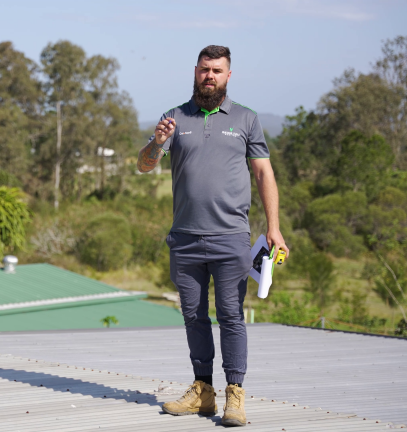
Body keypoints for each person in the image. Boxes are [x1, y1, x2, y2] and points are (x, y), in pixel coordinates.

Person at [136, 45, 289, 427]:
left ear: (228, 76)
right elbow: (143, 166)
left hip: (231, 237)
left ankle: (234, 396)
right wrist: (156, 143)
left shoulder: (247, 119)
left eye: (217, 71)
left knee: (232, 316)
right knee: (193, 316)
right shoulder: (174, 118)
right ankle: (202, 392)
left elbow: (264, 175)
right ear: (195, 71)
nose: (210, 76)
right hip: (185, 238)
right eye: (205, 69)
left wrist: (274, 227)